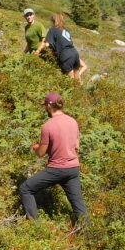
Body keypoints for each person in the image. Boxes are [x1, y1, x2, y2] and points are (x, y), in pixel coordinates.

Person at [18, 93, 89, 229]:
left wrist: (36, 148)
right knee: (78, 204)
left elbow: (40, 153)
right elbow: (77, 146)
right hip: (73, 168)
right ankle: (90, 234)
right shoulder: (73, 121)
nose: (45, 107)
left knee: (25, 189)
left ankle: (35, 227)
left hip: (57, 169)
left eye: (45, 105)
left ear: (50, 106)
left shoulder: (48, 126)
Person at [34, 13, 88, 84]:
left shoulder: (53, 30)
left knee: (70, 81)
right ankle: (81, 92)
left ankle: (73, 93)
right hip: (74, 53)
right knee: (77, 78)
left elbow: (47, 44)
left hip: (66, 55)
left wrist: (38, 51)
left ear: (53, 21)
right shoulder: (66, 31)